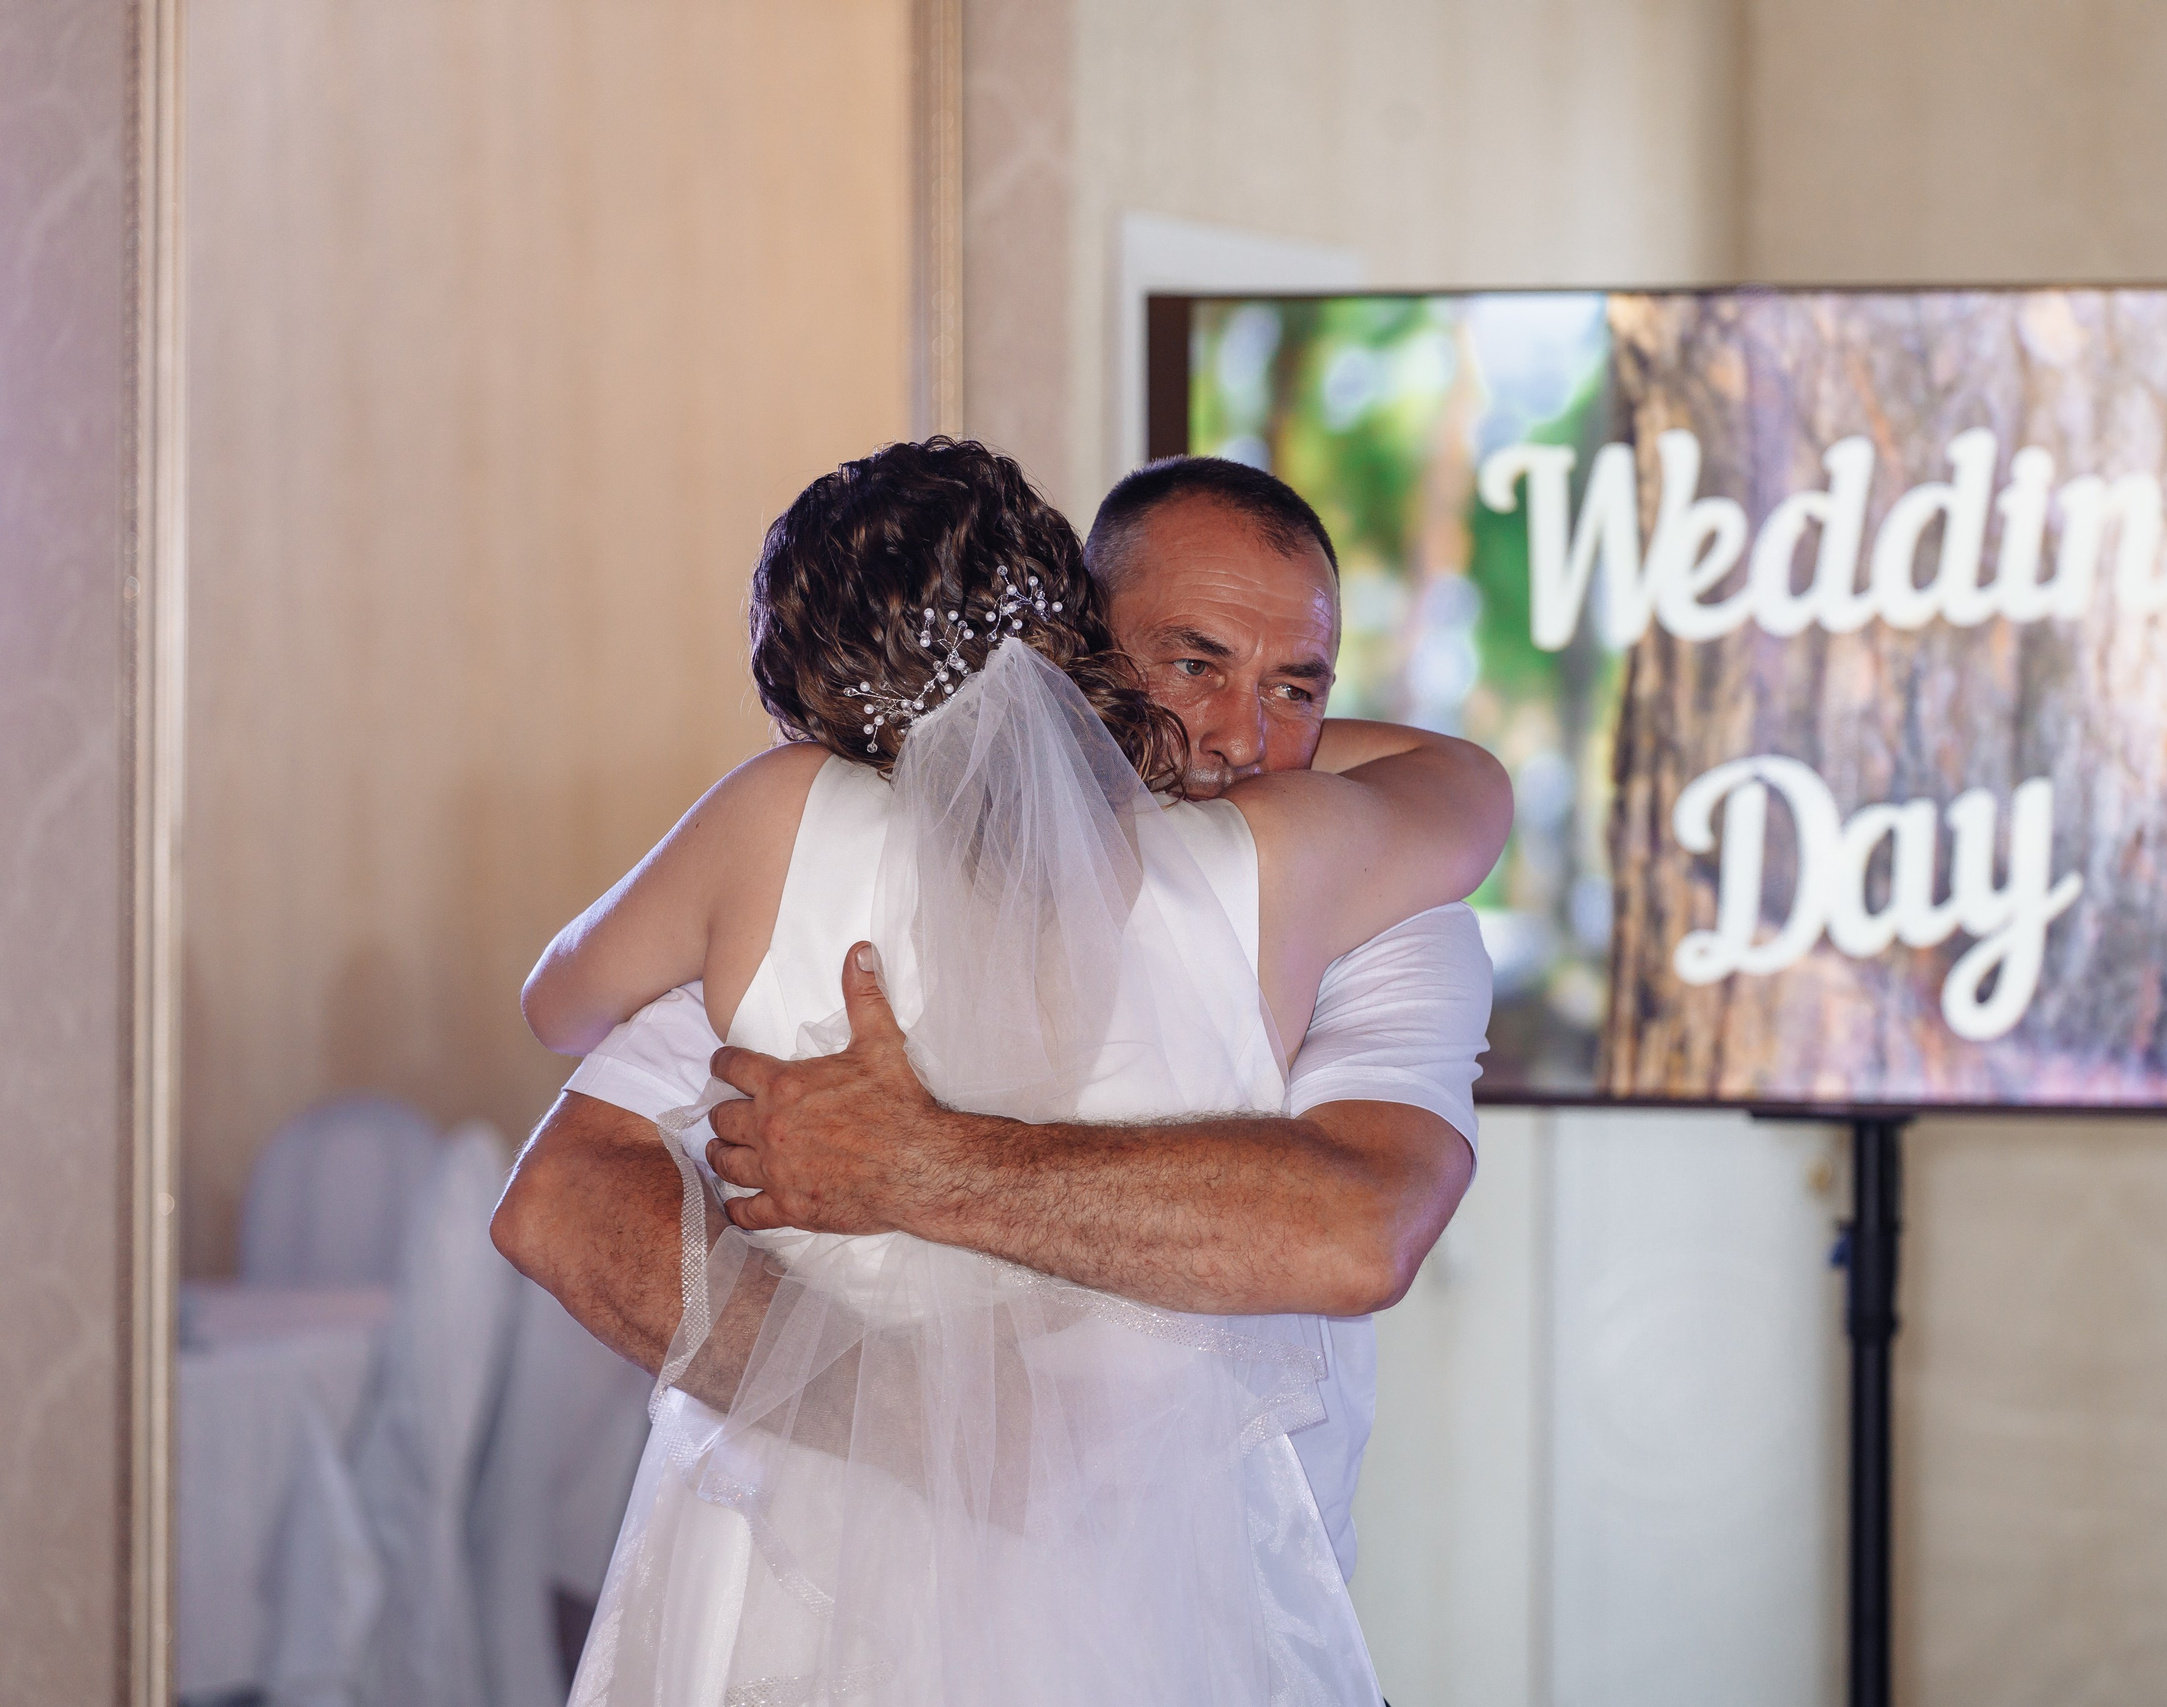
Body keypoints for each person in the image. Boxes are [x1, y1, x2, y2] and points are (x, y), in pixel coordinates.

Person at [503, 439, 1510, 1705]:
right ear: (1077, 647)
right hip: (922, 1588)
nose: (1246, 735)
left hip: (1087, 1592)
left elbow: (1355, 1234)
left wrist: (911, 1164)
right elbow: (1466, 783)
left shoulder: (781, 837)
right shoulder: (1286, 867)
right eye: (1193, 665)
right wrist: (929, 1425)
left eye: (1298, 688)